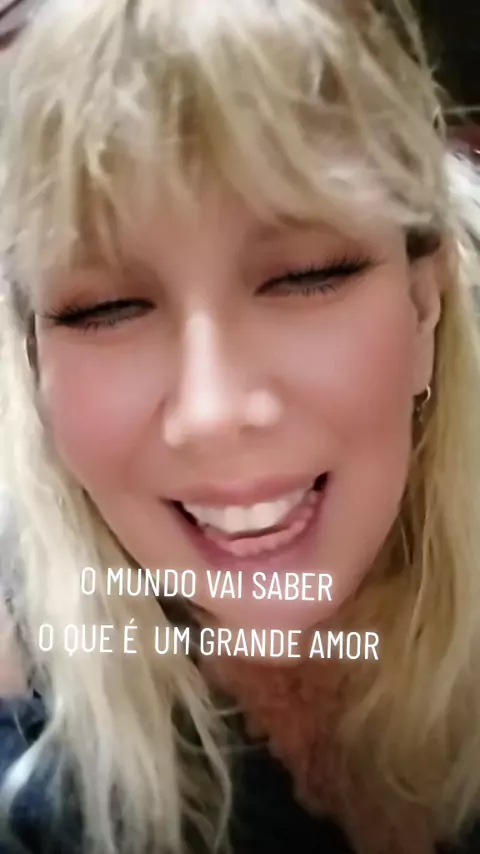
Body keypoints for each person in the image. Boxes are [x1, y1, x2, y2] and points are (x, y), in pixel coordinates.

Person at [0, 0, 480, 852]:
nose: (213, 413)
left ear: (422, 305)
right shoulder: (41, 772)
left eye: (304, 276)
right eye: (106, 308)